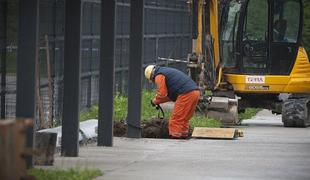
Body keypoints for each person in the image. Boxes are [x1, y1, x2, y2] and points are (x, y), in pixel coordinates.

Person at [144, 65, 200, 139]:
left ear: (151, 76)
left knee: (175, 120)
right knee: (184, 119)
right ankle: (183, 137)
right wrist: (157, 102)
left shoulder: (159, 75)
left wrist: (155, 100)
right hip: (195, 92)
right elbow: (167, 96)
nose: (154, 82)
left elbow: (162, 94)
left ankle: (174, 141)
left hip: (185, 94)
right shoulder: (165, 72)